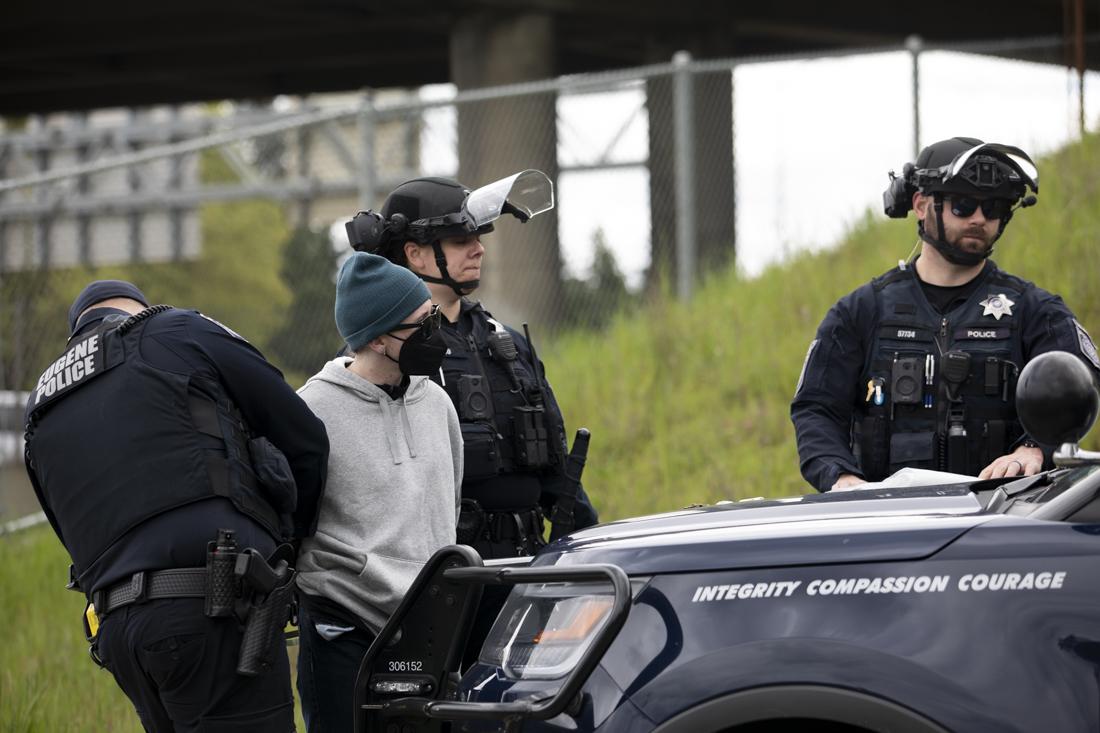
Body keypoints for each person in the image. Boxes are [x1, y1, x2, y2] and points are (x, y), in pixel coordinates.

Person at [23, 279, 329, 732]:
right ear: (135, 310)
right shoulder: (176, 328)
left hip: (121, 634)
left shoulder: (40, 408)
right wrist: (296, 545)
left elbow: (68, 533)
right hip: (213, 608)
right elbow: (304, 437)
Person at [344, 171, 600, 666]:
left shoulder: (506, 343)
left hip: (526, 572)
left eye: (477, 237)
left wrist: (588, 547)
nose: (478, 249)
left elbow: (554, 457)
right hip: (443, 582)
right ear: (416, 254)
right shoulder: (380, 353)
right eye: (460, 240)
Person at [791, 137, 1100, 492]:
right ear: (922, 205)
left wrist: (1034, 449)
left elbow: (1081, 381)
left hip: (1001, 522)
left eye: (994, 207)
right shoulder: (861, 312)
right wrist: (841, 477)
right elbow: (816, 408)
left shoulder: (1035, 312)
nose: (979, 219)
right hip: (886, 524)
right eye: (964, 205)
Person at [294, 252, 463, 733]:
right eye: (420, 324)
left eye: (431, 316)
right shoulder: (311, 413)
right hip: (344, 628)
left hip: (430, 626)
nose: (434, 331)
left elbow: (447, 504)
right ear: (375, 338)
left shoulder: (438, 402)